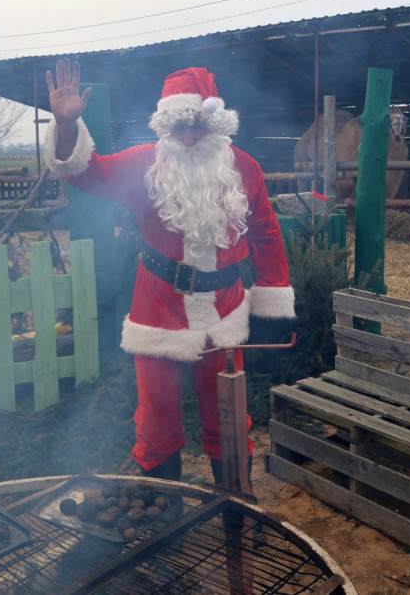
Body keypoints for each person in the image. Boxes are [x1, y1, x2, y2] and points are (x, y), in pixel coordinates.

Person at [45, 59, 295, 482]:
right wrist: (66, 125)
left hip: (224, 309)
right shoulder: (145, 164)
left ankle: (238, 506)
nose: (189, 136)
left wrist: (272, 302)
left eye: (196, 125)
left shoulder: (245, 169)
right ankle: (162, 515)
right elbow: (85, 171)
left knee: (228, 414)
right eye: (178, 127)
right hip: (158, 305)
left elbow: (267, 234)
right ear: (165, 127)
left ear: (214, 123)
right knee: (155, 420)